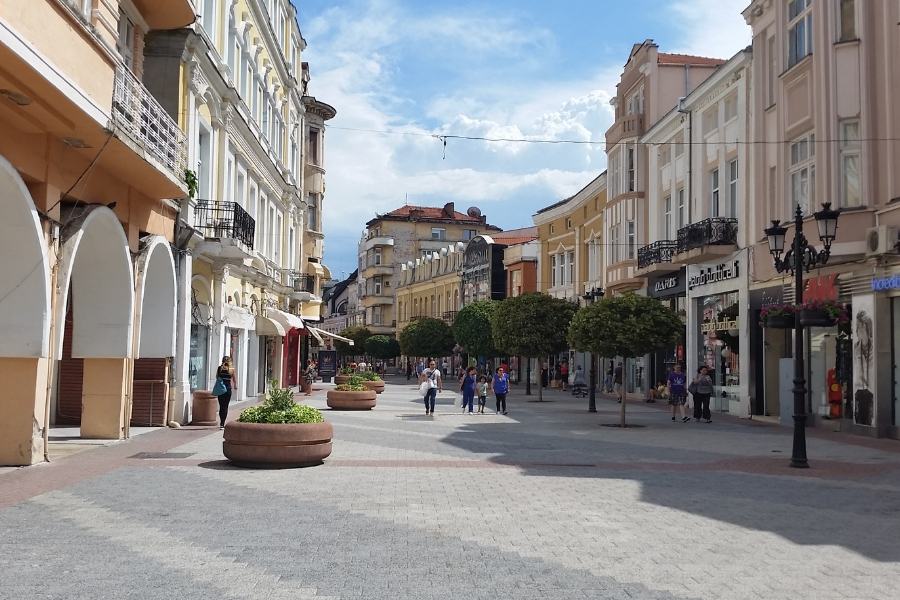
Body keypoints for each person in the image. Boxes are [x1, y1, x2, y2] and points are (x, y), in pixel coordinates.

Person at [215, 356, 236, 429]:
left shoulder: (219, 368)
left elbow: (217, 377)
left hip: (221, 389)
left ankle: (221, 423)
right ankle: (223, 423)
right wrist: (235, 386)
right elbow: (234, 379)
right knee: (225, 406)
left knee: (221, 406)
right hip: (228, 389)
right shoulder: (231, 369)